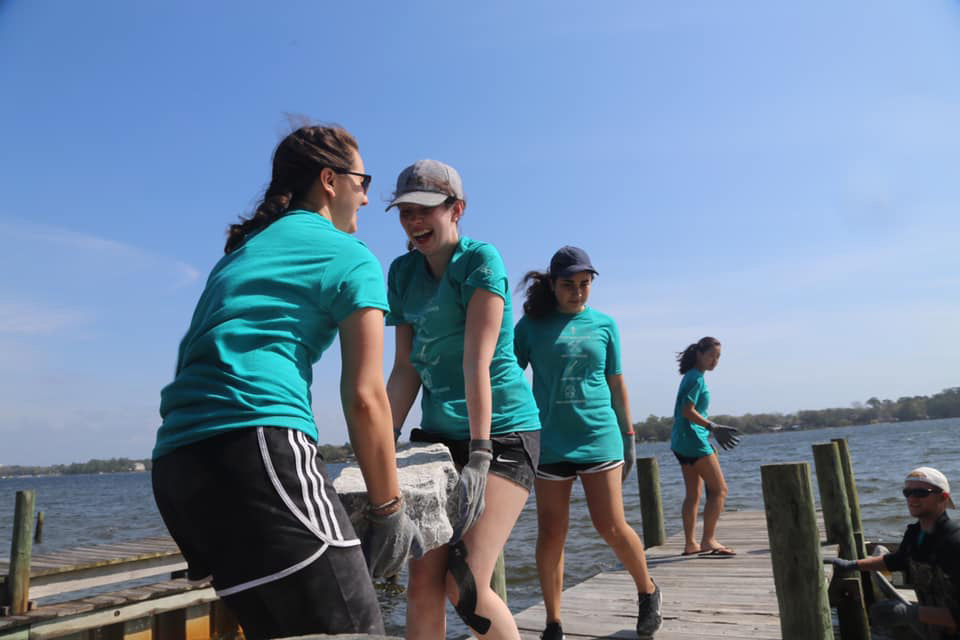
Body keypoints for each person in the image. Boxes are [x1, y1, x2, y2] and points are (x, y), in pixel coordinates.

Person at [151, 125, 421, 639]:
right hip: (257, 448)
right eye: (362, 180)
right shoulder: (352, 256)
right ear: (329, 181)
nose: (367, 195)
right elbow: (365, 398)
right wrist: (388, 510)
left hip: (177, 467)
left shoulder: (241, 252)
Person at [384, 159, 541, 640]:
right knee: (422, 582)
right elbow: (406, 368)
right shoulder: (401, 272)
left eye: (426, 210)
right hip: (435, 440)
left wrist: (479, 453)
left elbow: (478, 361)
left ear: (457, 210)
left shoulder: (480, 261)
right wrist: (382, 443)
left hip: (503, 434)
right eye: (405, 211)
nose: (414, 222)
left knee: (465, 582)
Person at [513, 246, 662, 640]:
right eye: (569, 285)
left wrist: (629, 436)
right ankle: (553, 622)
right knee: (551, 532)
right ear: (553, 284)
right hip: (549, 443)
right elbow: (507, 376)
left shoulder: (606, 325)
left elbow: (616, 382)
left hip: (600, 436)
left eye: (584, 284)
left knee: (610, 524)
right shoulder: (530, 327)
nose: (577, 292)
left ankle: (647, 592)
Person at [826, 467, 960, 639]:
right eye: (907, 492)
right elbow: (898, 560)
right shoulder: (915, 534)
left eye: (920, 492)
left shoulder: (954, 543)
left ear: (943, 497)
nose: (912, 498)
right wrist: (853, 565)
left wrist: (911, 612)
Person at [670, 337, 740, 557]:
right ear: (699, 354)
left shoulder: (690, 376)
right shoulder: (696, 379)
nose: (714, 361)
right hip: (693, 440)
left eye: (718, 357)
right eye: (711, 355)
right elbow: (687, 411)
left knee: (693, 494)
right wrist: (713, 426)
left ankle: (691, 544)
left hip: (681, 441)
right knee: (719, 490)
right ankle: (708, 540)